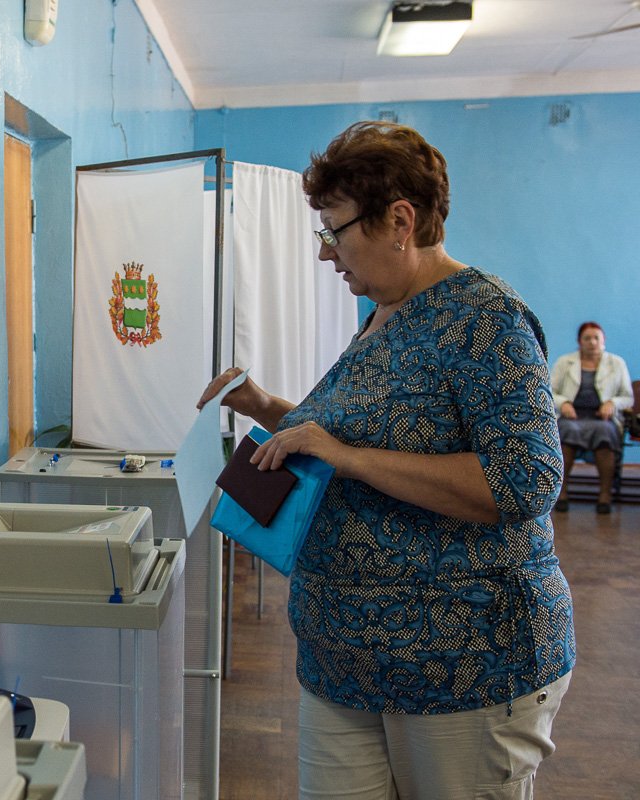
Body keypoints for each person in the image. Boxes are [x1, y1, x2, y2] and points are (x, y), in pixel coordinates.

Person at [198, 121, 574, 800]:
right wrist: (264, 406)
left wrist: (348, 456)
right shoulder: (380, 317)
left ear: (400, 220)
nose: (325, 254)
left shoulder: (484, 318)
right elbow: (335, 443)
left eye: (335, 231)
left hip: (463, 666)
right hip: (343, 663)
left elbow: (525, 480)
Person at [550, 321, 633, 513]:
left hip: (601, 418)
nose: (592, 342)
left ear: (603, 340)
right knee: (567, 433)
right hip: (572, 416)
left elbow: (627, 397)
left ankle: (605, 494)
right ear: (580, 341)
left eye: (596, 338)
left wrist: (612, 403)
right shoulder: (565, 362)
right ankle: (561, 492)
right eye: (587, 338)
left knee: (605, 434)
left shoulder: (616, 363)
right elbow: (549, 392)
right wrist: (564, 403)